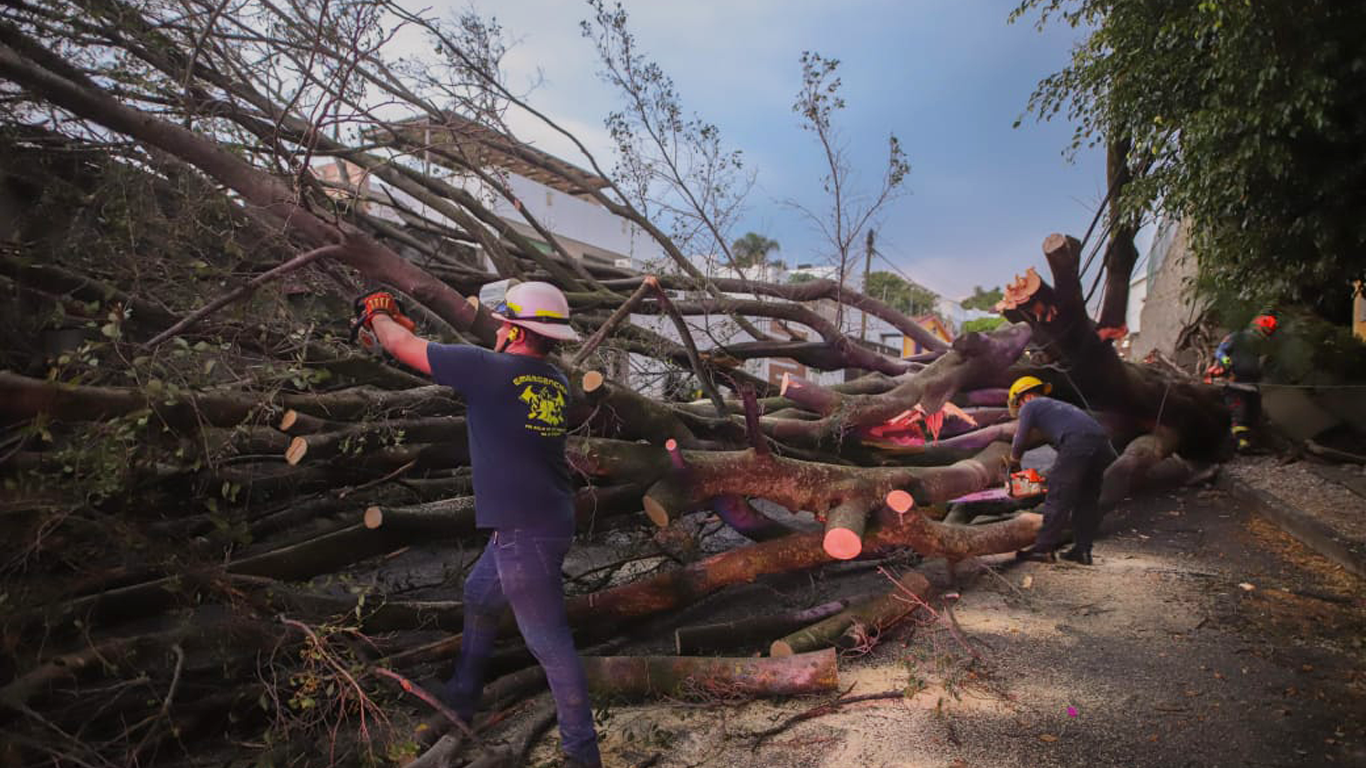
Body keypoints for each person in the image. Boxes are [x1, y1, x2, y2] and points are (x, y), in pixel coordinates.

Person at [354, 282, 602, 768]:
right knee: (479, 595)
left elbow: (400, 345)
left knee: (549, 643)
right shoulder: (555, 381)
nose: (498, 331)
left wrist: (378, 312)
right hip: (546, 519)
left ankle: (583, 754)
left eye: (502, 323)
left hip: (524, 533)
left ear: (515, 331)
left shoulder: (488, 368)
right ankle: (462, 698)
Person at [1006, 376, 1115, 566]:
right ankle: (1083, 551)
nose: (1021, 408)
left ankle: (1043, 549)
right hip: (1103, 446)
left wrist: (1014, 461)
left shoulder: (1031, 406)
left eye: (1019, 403)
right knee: (1086, 499)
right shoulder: (1059, 408)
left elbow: (1020, 438)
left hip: (1078, 442)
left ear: (1025, 397)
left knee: (1058, 494)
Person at [1207, 313, 1277, 452]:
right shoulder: (1237, 337)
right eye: (1264, 331)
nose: (1263, 335)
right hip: (1234, 381)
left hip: (1251, 384)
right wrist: (1226, 362)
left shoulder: (1260, 345)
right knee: (1239, 411)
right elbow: (1220, 351)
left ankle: (1250, 443)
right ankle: (1240, 443)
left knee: (1254, 412)